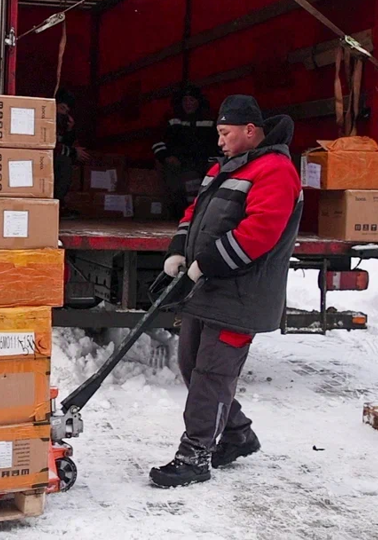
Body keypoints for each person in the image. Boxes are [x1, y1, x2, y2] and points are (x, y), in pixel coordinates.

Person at [150, 95, 301, 489]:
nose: (219, 141)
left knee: (212, 374)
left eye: (225, 133)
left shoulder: (276, 171)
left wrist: (205, 263)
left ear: (250, 131)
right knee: (189, 364)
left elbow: (258, 234)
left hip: (242, 294)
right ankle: (236, 434)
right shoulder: (225, 167)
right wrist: (178, 252)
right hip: (210, 288)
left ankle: (195, 455)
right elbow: (194, 213)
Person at [153, 85, 220, 218]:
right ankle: (181, 217)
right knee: (180, 188)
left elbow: (218, 145)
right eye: (185, 100)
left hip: (203, 165)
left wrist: (213, 162)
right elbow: (157, 142)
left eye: (192, 100)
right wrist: (166, 157)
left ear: (198, 101)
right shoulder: (172, 120)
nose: (188, 104)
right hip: (178, 166)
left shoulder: (210, 120)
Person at [53, 88, 89, 208]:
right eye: (62, 108)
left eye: (66, 111)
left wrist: (69, 130)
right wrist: (73, 152)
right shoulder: (44, 121)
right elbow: (51, 147)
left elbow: (66, 144)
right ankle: (56, 204)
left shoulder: (63, 124)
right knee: (64, 161)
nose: (63, 113)